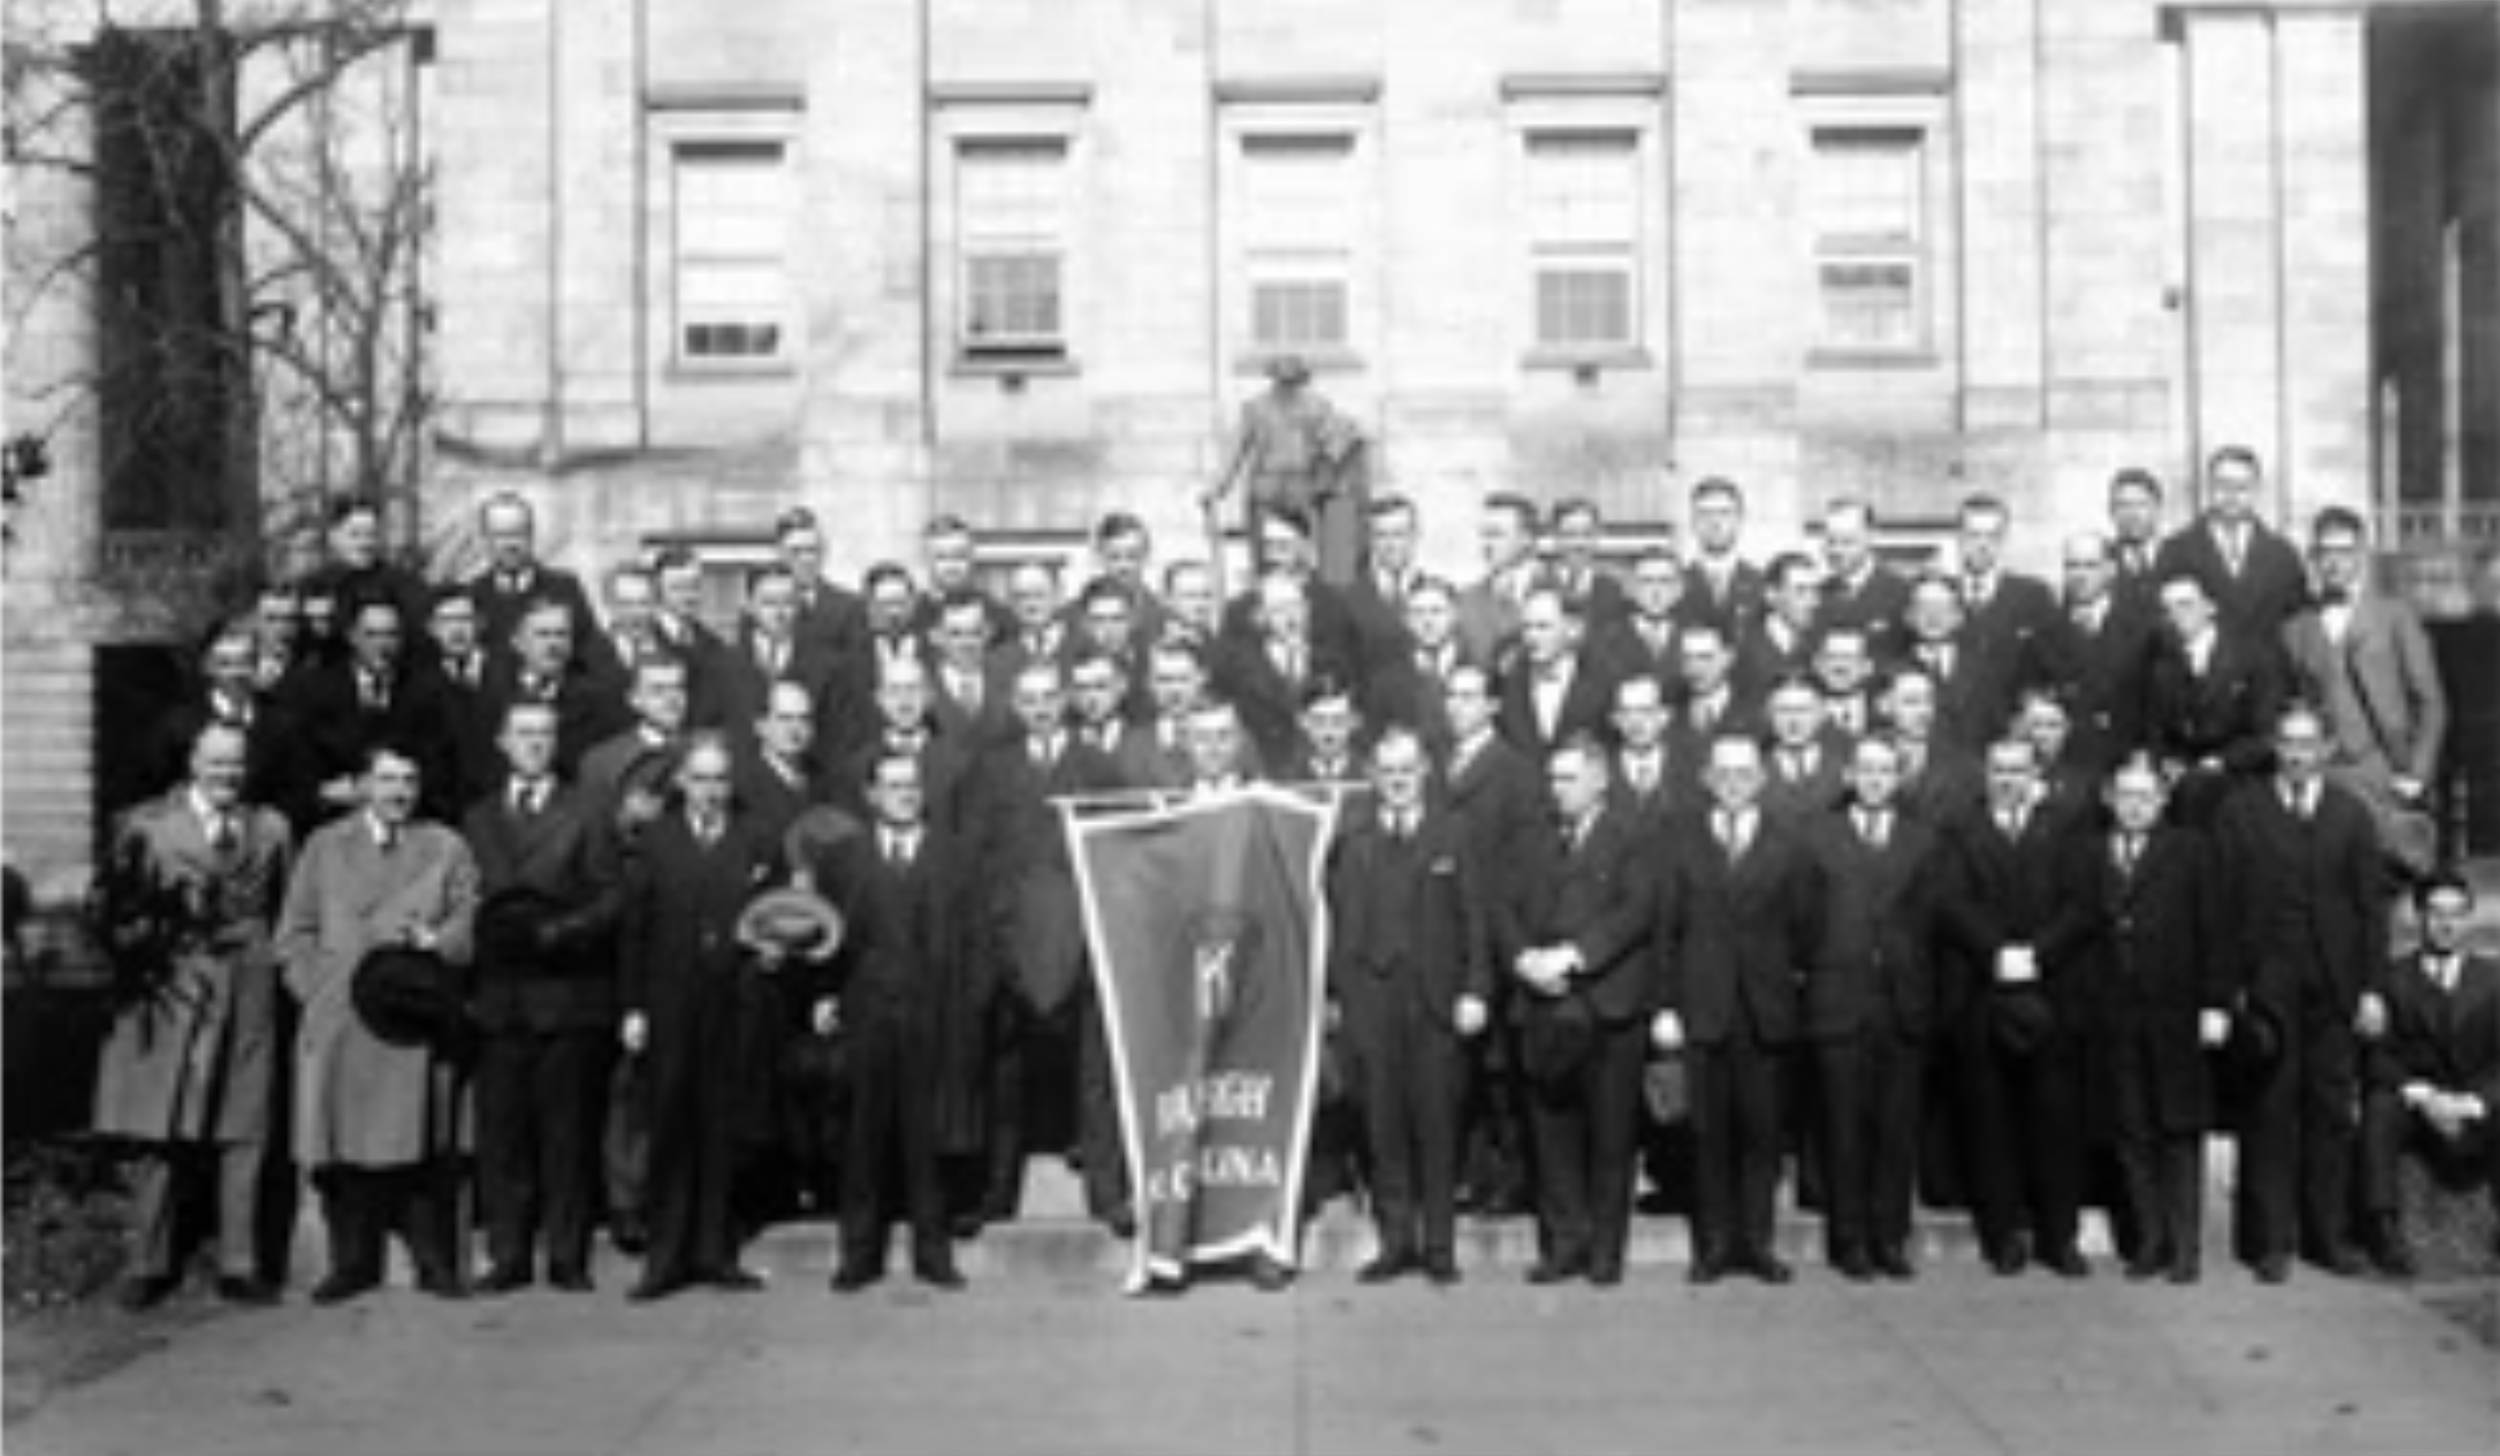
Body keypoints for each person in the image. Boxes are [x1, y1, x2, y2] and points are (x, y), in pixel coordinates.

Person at [93, 722, 295, 1308]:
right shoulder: (146, 828)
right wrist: (152, 944)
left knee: (245, 1124)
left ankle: (241, 1262)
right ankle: (146, 1263)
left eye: (236, 765)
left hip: (250, 986)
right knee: (160, 1126)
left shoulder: (272, 828)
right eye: (216, 764)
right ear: (192, 763)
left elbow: (284, 909)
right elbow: (110, 915)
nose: (227, 775)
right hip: (176, 990)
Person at [277, 742, 480, 1304]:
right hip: (342, 1016)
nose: (399, 793)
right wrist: (317, 991)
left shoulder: (444, 846)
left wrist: (437, 943)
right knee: (343, 1149)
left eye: (409, 781)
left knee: (420, 1145)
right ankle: (351, 1263)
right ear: (363, 786)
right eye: (388, 780)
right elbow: (293, 931)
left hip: (411, 1018)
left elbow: (470, 921)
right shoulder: (324, 846)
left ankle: (433, 1262)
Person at [2212, 701, 2387, 1282]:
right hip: (2268, 986)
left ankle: (2327, 1238)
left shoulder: (2351, 815)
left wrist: (2371, 989)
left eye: (2308, 744)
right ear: (2274, 747)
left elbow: (2370, 910)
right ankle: (2270, 1242)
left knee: (2330, 1112)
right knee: (2269, 1113)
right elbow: (2224, 906)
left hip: (2334, 985)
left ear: (2326, 750)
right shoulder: (2241, 812)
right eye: (2287, 742)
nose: (2296, 754)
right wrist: (2229, 988)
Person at [2042, 753, 2228, 1283]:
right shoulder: (2085, 853)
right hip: (2112, 1014)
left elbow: (2215, 931)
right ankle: (2149, 1241)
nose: (2135, 806)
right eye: (2126, 796)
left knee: (2178, 1129)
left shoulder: (2192, 851)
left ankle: (2185, 1247)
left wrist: (2215, 1004)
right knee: (2130, 1131)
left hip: (2175, 1011)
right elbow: (2072, 926)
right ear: (2108, 798)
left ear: (2163, 800)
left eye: (2146, 797)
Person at [462, 701, 623, 1295]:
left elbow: (612, 895)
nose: (535, 743)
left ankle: (566, 1254)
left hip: (567, 993)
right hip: (501, 997)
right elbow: (463, 892)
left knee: (567, 1136)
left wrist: (562, 932)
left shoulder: (587, 811)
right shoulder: (479, 817)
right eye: (523, 733)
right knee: (504, 1136)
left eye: (545, 734)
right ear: (503, 742)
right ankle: (508, 1254)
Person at [617, 734, 783, 1300]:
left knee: (719, 1128)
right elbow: (635, 928)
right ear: (682, 782)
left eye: (720, 780)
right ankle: (665, 1258)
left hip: (731, 1004)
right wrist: (634, 1006)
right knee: (669, 1127)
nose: (711, 791)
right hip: (669, 1004)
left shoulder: (753, 839)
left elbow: (775, 915)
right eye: (701, 779)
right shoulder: (655, 842)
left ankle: (715, 1252)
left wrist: (772, 949)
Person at [1327, 726, 1490, 1286]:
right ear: (1373, 776)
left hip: (1436, 1002)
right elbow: (1343, 924)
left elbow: (1476, 918)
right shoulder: (1356, 837)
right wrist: (1344, 998)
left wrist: (1476, 989)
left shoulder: (1454, 833)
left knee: (1437, 1123)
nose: (1397, 781)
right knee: (1383, 1124)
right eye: (1387, 772)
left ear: (1425, 771)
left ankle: (1439, 1246)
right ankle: (1396, 1242)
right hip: (1374, 1002)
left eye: (1407, 770)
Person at [808, 752, 971, 1292]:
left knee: (926, 1138)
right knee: (863, 1137)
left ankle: (933, 1252)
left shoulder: (953, 854)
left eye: (912, 785)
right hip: (868, 1012)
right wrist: (826, 993)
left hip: (931, 1012)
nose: (904, 794)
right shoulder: (843, 858)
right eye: (892, 785)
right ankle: (859, 1253)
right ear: (871, 794)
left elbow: (975, 941)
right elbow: (823, 936)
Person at [1651, 734, 1809, 1285]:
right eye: (1725, 772)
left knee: (1762, 1133)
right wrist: (1665, 1005)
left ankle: (1758, 1242)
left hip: (1764, 1011)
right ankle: (1715, 1244)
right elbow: (1665, 930)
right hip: (1704, 1007)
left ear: (1762, 778)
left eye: (1745, 772)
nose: (1735, 782)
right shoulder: (1680, 840)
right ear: (1706, 778)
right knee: (1709, 1132)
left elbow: (1804, 929)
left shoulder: (1788, 841)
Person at [1502, 734, 1656, 1287]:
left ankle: (1605, 1251)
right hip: (1544, 1004)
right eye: (1552, 779)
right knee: (1552, 1132)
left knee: (1611, 1135)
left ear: (1600, 780)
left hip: (1608, 1004)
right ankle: (1563, 1244)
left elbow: (1636, 911)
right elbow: (1506, 905)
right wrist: (1523, 958)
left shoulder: (1633, 835)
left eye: (1568, 779)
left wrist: (1574, 955)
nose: (1556, 790)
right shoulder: (1533, 839)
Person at [1939, 737, 2090, 1278]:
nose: (2007, 779)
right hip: (1983, 994)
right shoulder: (1961, 831)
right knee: (1992, 1125)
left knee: (2054, 1124)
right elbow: (1951, 902)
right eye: (1998, 769)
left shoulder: (2067, 829)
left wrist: (2037, 956)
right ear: (1985, 773)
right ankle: (2002, 1236)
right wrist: (1996, 953)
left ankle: (2058, 1238)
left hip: (2049, 994)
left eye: (2017, 769)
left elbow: (2081, 904)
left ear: (2035, 773)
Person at [1798, 735, 1946, 1281]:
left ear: (1900, 777)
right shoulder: (1818, 839)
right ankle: (1850, 1239)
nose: (1876, 779)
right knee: (1843, 1125)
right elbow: (1803, 922)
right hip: (1839, 1000)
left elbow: (1933, 924)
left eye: (1887, 770)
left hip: (1901, 1003)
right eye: (1866, 769)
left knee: (1896, 1127)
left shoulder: (1923, 841)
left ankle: (1890, 1237)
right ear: (1849, 776)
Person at [2279, 507, 2448, 884]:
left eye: (2344, 551)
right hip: (2323, 773)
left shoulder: (2395, 616)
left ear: (2361, 555)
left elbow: (2430, 702)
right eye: (2325, 552)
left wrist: (2417, 774)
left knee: (2384, 886)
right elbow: (2293, 706)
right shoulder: (2296, 628)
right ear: (2314, 558)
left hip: (2383, 771)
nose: (2334, 562)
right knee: (2323, 885)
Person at [2358, 871, 2499, 1277]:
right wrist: (2423, 1096)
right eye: (2435, 913)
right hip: (2419, 1106)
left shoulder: (2493, 980)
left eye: (2455, 914)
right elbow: (2378, 1056)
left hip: (2474, 1106)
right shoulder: (2391, 978)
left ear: (2468, 918)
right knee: (2380, 1108)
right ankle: (2383, 1230)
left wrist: (2472, 1103)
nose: (2446, 924)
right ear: (2418, 918)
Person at [1205, 354, 1368, 584]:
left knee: (1314, 552)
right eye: (1283, 381)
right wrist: (1219, 486)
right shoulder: (1255, 408)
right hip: (1265, 487)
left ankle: (1317, 590)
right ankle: (1262, 587)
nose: (1287, 387)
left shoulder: (1316, 406)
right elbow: (1236, 448)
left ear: (1300, 380)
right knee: (1261, 553)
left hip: (1302, 487)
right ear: (1274, 380)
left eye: (1292, 381)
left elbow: (1340, 438)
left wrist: (1328, 469)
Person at [2143, 571, 2283, 828]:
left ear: (2210, 607)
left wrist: (2221, 762)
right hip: (2184, 784)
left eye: (2185, 604)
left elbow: (2266, 732)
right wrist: (2167, 763)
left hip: (2243, 778)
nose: (2175, 615)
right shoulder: (2162, 666)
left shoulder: (2251, 658)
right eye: (2167, 609)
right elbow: (2157, 732)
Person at [2153, 445, 2311, 653]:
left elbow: (2298, 624)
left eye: (2241, 486)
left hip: (2269, 680)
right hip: (2200, 680)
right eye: (2223, 485)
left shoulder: (2283, 555)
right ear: (2209, 487)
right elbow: (2163, 624)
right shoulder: (2176, 551)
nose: (2231, 495)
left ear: (2256, 490)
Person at [465, 492, 599, 673]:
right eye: (500, 535)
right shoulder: (472, 596)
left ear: (531, 534)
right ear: (485, 539)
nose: (511, 544)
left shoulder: (565, 588)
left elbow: (592, 658)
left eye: (518, 533)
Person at [1496, 584, 1615, 761]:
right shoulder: (1507, 683)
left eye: (1543, 627)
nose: (1532, 637)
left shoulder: (1603, 682)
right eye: (1527, 627)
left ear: (1573, 629)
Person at [1818, 497, 1911, 656]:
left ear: (1871, 536)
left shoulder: (1901, 593)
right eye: (1831, 542)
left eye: (1847, 541)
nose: (1837, 551)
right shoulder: (1818, 594)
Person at [1680, 477, 1763, 636]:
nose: (1715, 522)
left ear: (1739, 520)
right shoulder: (1677, 585)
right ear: (1692, 522)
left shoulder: (1761, 585)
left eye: (1724, 513)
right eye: (1705, 514)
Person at [1544, 498, 1628, 628]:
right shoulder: (1541, 584)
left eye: (1587, 534)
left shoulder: (1614, 589)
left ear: (1598, 536)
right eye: (1569, 535)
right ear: (1555, 537)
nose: (1579, 544)